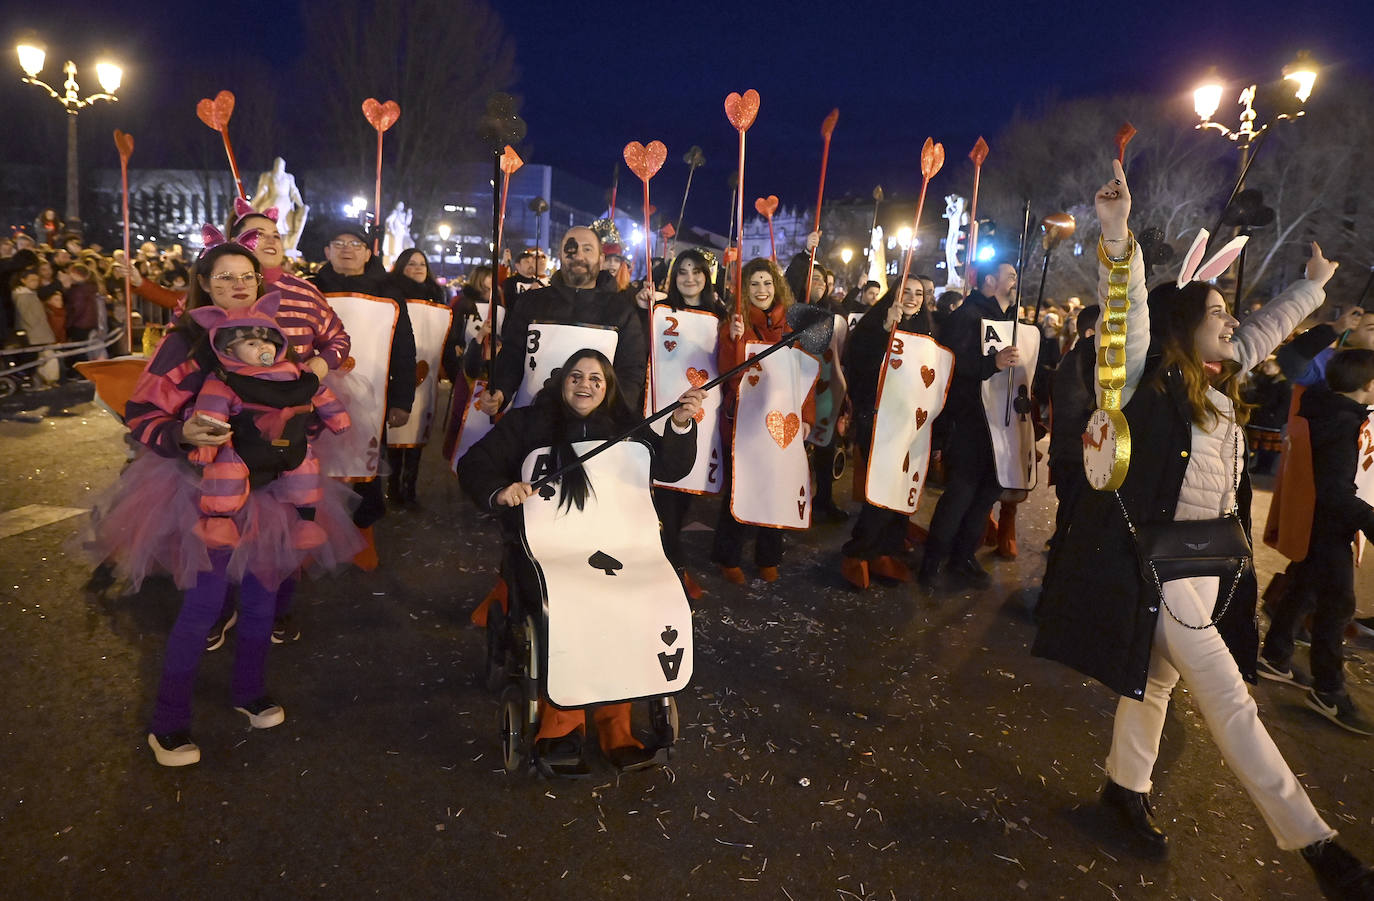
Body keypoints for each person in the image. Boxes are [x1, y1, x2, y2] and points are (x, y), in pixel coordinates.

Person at [1034, 161, 1374, 899]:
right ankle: (1319, 847)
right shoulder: (1143, 379)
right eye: (1218, 309)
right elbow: (1124, 308)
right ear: (1185, 324)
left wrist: (1313, 286)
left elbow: (1263, 331)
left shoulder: (1220, 380)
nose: (1233, 317)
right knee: (1232, 704)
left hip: (1203, 567)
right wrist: (1118, 234)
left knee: (1153, 683)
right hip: (1163, 569)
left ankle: (1124, 789)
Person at [86, 232, 362, 767]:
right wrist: (185, 434)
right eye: (223, 277)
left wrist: (296, 433)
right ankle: (168, 722)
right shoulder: (186, 342)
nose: (237, 285)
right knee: (205, 604)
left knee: (261, 596)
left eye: (246, 276)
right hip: (205, 491)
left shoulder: (273, 334)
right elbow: (142, 413)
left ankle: (249, 691)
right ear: (203, 286)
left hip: (275, 490)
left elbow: (302, 396)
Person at [458, 349, 704, 774]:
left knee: (640, 602)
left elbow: (673, 467)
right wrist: (501, 491)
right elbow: (473, 464)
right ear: (561, 381)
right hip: (551, 551)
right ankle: (560, 722)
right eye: (576, 376)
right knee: (570, 605)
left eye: (596, 378)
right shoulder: (527, 424)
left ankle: (616, 724)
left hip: (622, 549)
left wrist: (680, 424)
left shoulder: (629, 428)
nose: (585, 384)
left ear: (607, 387)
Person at [1259, 349, 1374, 736]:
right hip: (1327, 526)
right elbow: (1336, 492)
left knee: (1305, 586)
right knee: (1338, 604)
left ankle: (1275, 655)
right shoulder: (1342, 423)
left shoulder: (1326, 411)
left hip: (1316, 523)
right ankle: (1328, 691)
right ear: (1369, 385)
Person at [310, 223, 417, 560]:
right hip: (316, 394)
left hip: (372, 396)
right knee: (310, 463)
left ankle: (363, 534)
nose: (347, 249)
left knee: (367, 465)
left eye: (355, 243)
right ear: (327, 251)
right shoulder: (310, 290)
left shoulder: (389, 293)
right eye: (338, 242)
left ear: (368, 252)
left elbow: (403, 348)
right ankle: (311, 535)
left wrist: (402, 400)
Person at [711, 258, 815, 583]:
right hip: (744, 423)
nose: (761, 290)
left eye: (767, 283)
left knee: (777, 489)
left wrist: (807, 416)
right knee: (740, 488)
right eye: (754, 284)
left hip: (782, 425)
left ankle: (768, 556)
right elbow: (729, 377)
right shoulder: (735, 324)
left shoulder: (791, 327)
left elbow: (804, 375)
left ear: (777, 286)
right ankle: (729, 556)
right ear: (745, 288)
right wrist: (734, 340)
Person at [917, 259, 1020, 590]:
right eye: (1010, 276)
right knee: (960, 494)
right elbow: (953, 365)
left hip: (999, 427)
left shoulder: (1010, 322)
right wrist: (992, 363)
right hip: (969, 422)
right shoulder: (967, 316)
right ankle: (932, 561)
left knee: (987, 494)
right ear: (990, 281)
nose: (1016, 281)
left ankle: (964, 556)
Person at [480, 227, 648, 416]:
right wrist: (500, 392)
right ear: (560, 255)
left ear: (601, 258)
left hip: (593, 429)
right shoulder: (531, 302)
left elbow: (631, 371)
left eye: (587, 249)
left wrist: (614, 416)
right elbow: (512, 356)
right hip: (532, 420)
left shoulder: (621, 310)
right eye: (571, 249)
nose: (579, 256)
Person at [839, 274, 933, 587]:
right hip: (876, 420)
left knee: (900, 487)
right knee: (881, 488)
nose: (912, 297)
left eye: (918, 293)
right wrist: (883, 332)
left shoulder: (927, 331)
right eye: (906, 291)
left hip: (911, 423)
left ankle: (884, 549)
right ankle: (859, 551)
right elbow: (862, 365)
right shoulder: (872, 325)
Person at [645, 249, 728, 599]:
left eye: (697, 271)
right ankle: (672, 566)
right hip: (662, 411)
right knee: (663, 495)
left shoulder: (722, 315)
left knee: (684, 496)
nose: (690, 278)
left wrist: (735, 336)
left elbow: (729, 361)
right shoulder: (659, 309)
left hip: (700, 416)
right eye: (682, 272)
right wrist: (640, 304)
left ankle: (671, 562)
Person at [385, 248, 449, 505]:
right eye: (411, 263)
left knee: (418, 433)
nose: (418, 268)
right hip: (399, 373)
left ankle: (409, 486)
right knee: (396, 433)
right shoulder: (390, 297)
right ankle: (393, 484)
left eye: (422, 263)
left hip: (427, 376)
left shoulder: (437, 298)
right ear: (401, 267)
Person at [1046, 304, 1099, 546]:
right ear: (1090, 334)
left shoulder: (1090, 361)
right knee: (1071, 519)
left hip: (1080, 453)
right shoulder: (1079, 363)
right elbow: (1072, 415)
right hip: (1076, 455)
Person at [11, 267, 60, 387]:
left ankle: (48, 381)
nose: (35, 283)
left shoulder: (31, 295)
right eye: (32, 280)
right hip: (34, 335)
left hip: (40, 333)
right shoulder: (23, 296)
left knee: (46, 358)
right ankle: (44, 381)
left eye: (37, 280)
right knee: (43, 359)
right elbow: (29, 318)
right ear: (23, 280)